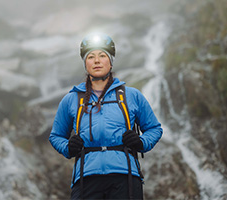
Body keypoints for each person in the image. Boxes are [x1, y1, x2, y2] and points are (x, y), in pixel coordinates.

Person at [49, 33, 163, 200]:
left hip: (125, 177)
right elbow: (56, 136)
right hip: (86, 179)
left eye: (102, 55)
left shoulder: (131, 96)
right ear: (85, 63)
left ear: (110, 62)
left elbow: (154, 128)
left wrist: (141, 142)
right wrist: (68, 147)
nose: (96, 61)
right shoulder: (71, 99)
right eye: (91, 57)